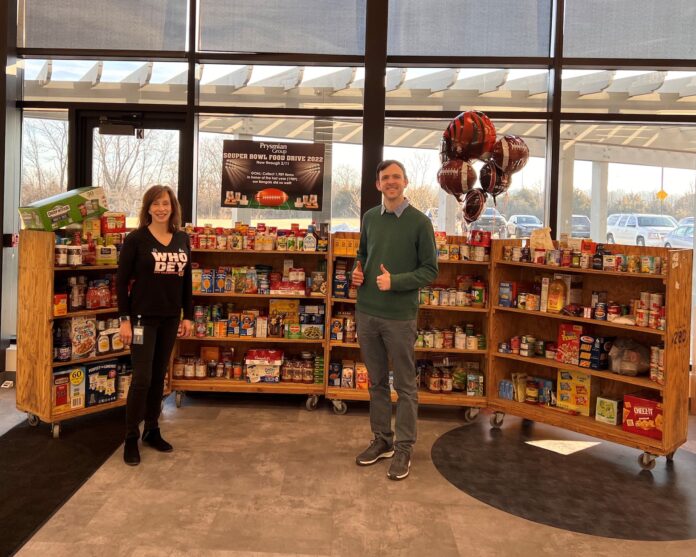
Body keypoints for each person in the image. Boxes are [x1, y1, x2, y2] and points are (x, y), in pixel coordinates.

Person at [352, 160, 438, 480]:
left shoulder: (419, 223)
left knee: (404, 386)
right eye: (385, 177)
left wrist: (396, 281)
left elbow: (430, 270)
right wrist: (357, 271)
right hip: (367, 311)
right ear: (378, 184)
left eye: (396, 177)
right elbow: (363, 253)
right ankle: (382, 440)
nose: (391, 182)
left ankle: (404, 447)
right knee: (375, 382)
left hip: (400, 316)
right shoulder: (370, 218)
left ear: (405, 183)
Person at [117, 185, 193, 466]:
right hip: (140, 319)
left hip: (171, 318)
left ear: (173, 207)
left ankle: (152, 429)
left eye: (166, 203)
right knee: (142, 379)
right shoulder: (136, 239)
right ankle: (129, 437)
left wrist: (188, 315)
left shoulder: (182, 238)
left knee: (159, 376)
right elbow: (121, 281)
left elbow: (186, 281)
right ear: (147, 208)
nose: (162, 208)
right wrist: (123, 319)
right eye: (156, 204)